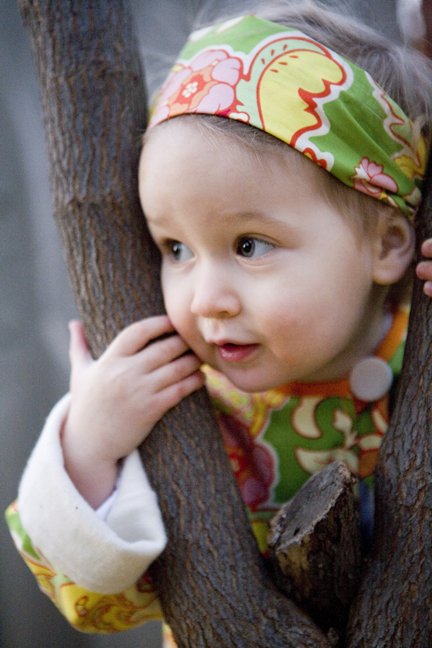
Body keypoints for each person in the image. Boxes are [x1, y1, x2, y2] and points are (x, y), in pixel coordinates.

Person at [5, 1, 432, 645]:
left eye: (249, 245)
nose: (206, 299)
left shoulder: (417, 361)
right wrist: (90, 447)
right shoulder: (182, 407)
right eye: (176, 248)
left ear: (388, 244)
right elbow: (97, 604)